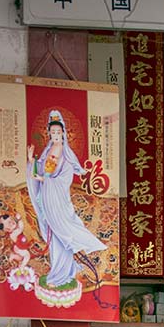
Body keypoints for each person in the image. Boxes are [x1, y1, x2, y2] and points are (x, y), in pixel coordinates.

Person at [26, 110, 107, 289]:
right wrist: (32, 161)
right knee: (56, 237)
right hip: (48, 196)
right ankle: (63, 270)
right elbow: (42, 172)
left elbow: (57, 177)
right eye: (52, 132)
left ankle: (60, 275)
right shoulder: (50, 149)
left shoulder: (63, 154)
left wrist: (43, 178)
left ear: (63, 133)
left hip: (56, 200)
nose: (55, 135)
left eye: (58, 132)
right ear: (49, 133)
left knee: (60, 234)